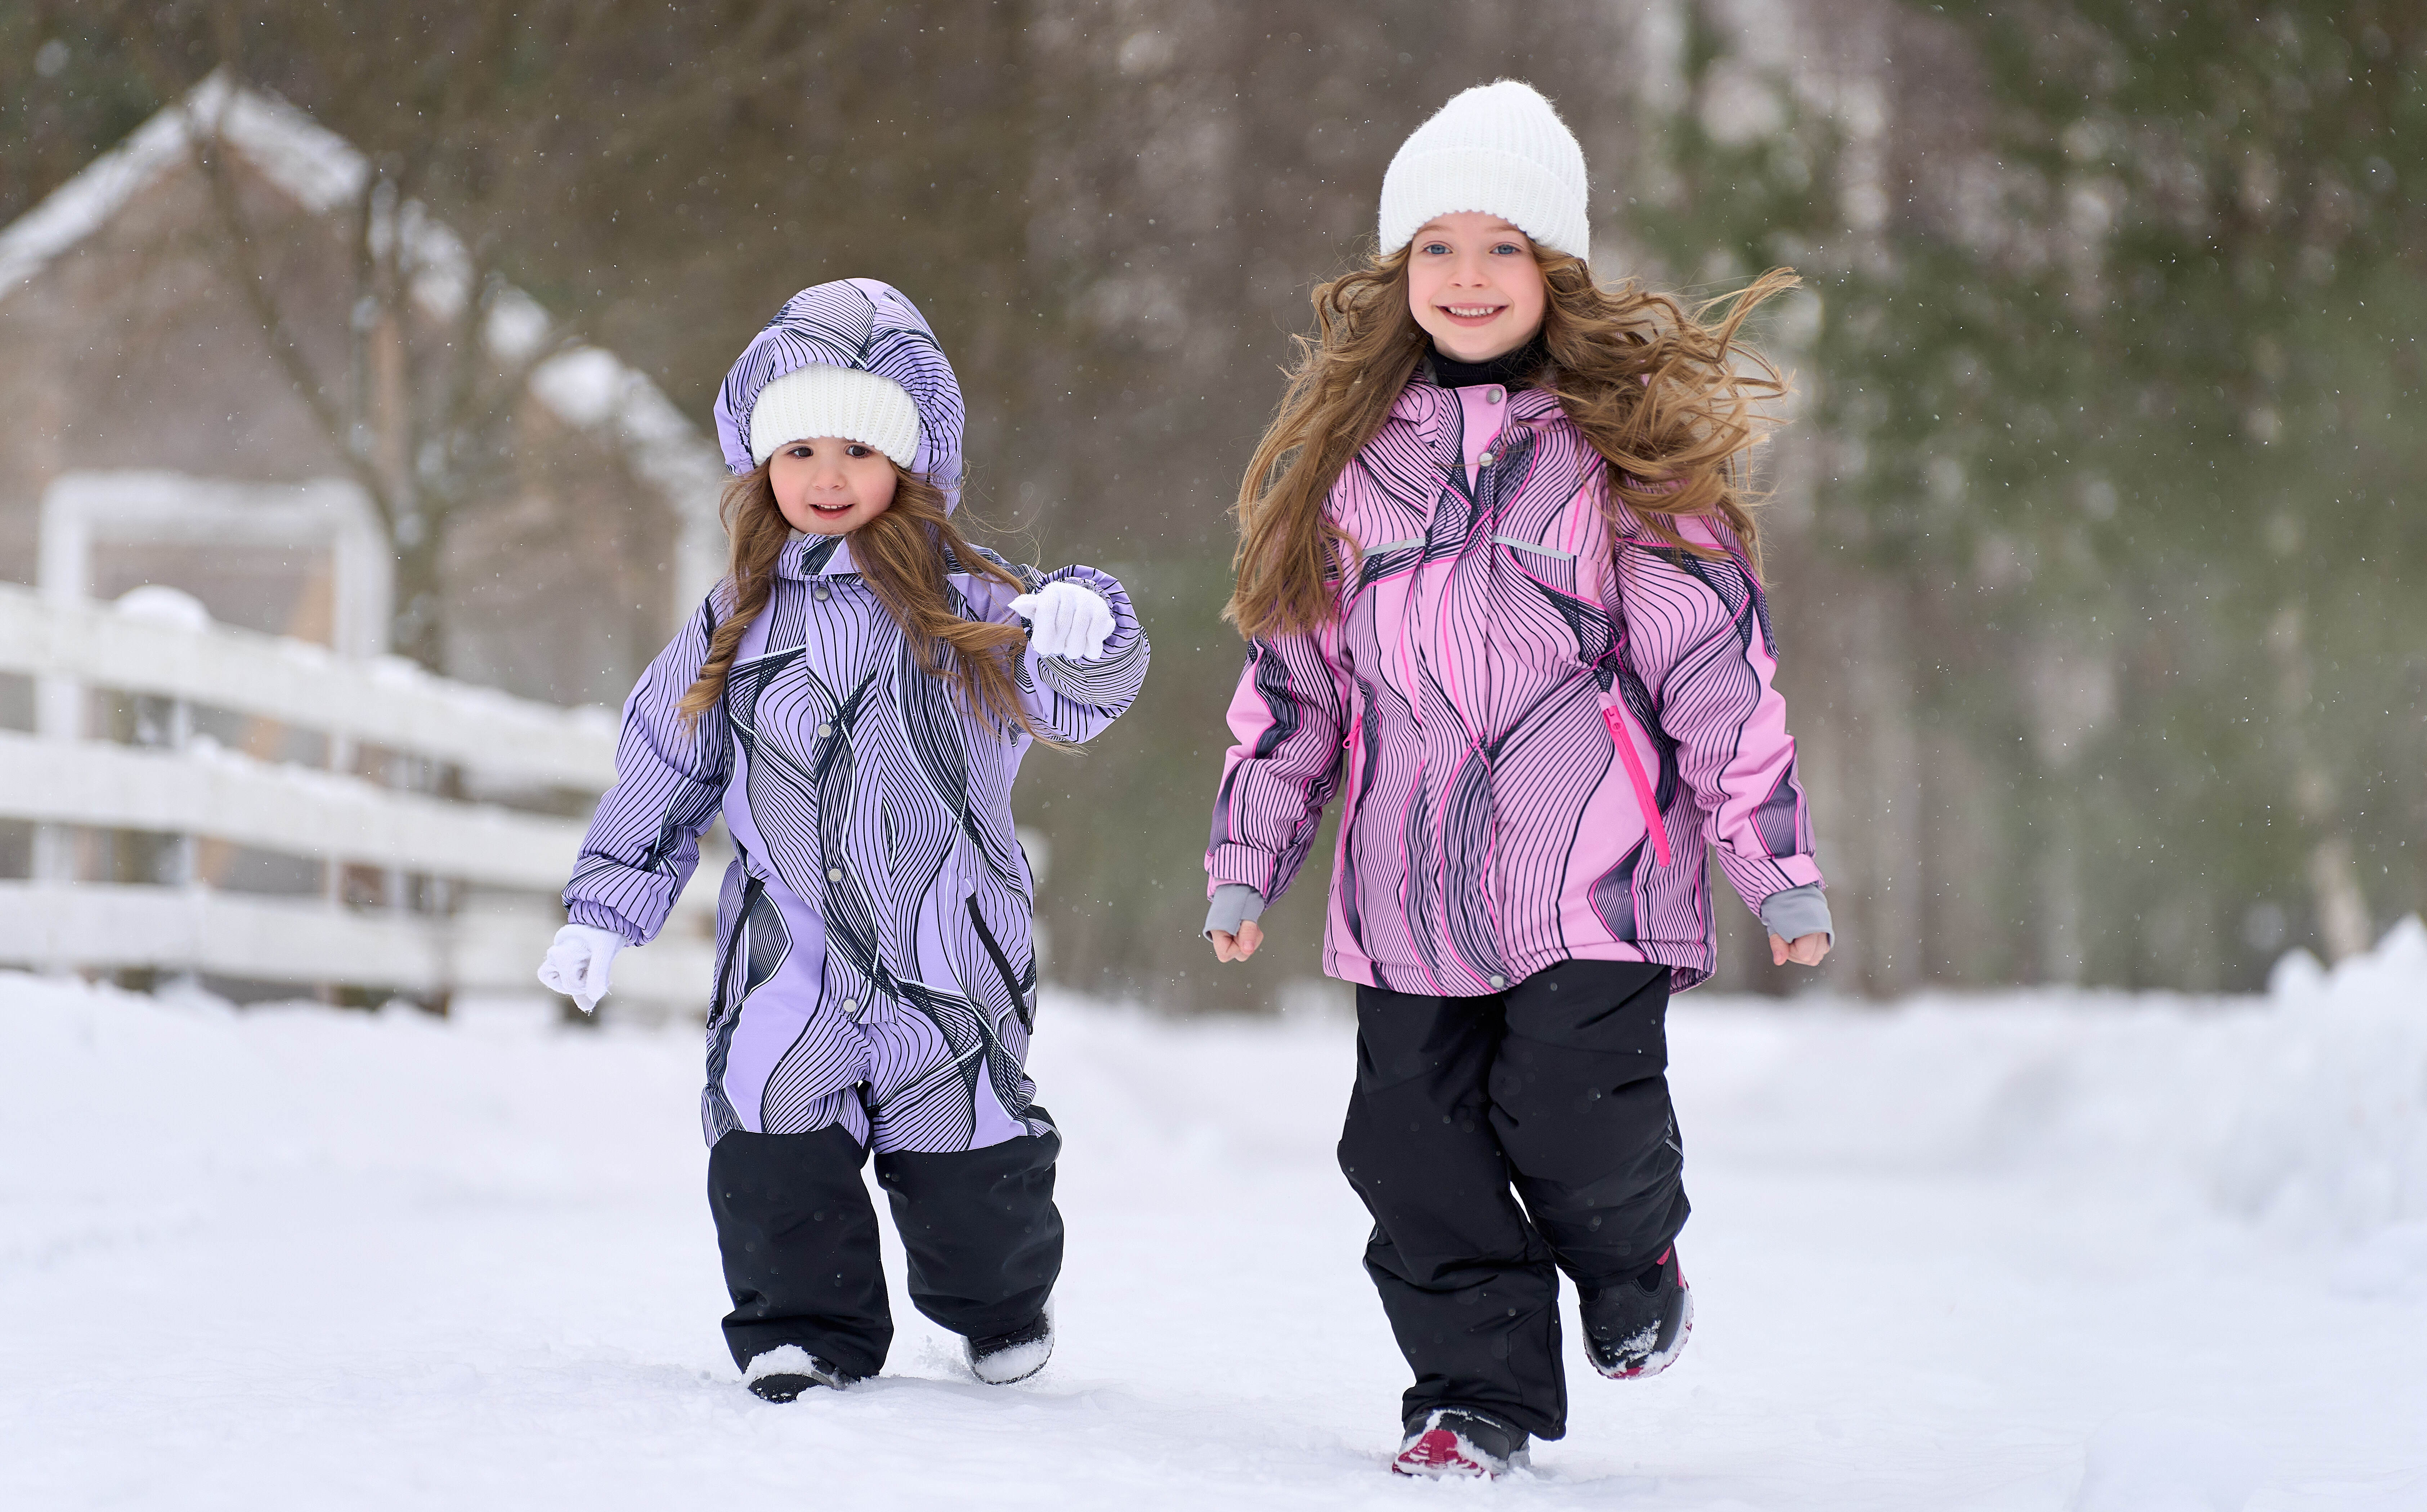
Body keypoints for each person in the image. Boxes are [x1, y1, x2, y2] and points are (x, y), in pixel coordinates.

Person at [1199, 81, 1833, 1479]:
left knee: (1565, 1117)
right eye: (1437, 247)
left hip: (1592, 876)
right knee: (1405, 1150)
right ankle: (1468, 1394)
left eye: (1503, 249)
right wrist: (1249, 855)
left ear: (1553, 274)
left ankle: (1629, 1257)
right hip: (1403, 890)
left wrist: (1773, 872)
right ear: (1397, 273)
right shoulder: (1346, 474)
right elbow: (1296, 688)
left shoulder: (1621, 467)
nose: (1469, 278)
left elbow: (1716, 683)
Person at [538, 278, 1148, 1401]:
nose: (827, 476)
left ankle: (997, 1304)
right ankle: (802, 1330)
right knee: (770, 1121)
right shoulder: (733, 620)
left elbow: (1081, 699)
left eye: (858, 451)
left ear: (910, 467)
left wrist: (1086, 629)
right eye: (799, 449)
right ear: (762, 465)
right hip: (790, 950)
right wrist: (602, 907)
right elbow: (667, 771)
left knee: (967, 1155)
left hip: (946, 951)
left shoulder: (977, 611)